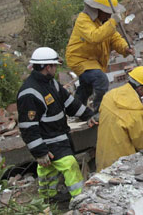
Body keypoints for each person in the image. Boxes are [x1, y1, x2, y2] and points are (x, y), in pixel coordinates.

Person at [17, 47, 98, 200]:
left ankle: (49, 201)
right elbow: (28, 127)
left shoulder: (51, 83)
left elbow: (70, 103)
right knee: (70, 165)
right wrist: (40, 152)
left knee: (48, 172)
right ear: (48, 67)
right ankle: (80, 200)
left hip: (60, 138)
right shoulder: (29, 93)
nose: (56, 68)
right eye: (54, 65)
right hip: (48, 143)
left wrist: (88, 115)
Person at [66, 0, 134, 112]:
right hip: (79, 59)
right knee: (100, 79)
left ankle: (75, 110)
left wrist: (125, 48)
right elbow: (94, 37)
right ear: (98, 9)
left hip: (94, 60)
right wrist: (112, 22)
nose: (109, 15)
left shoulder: (105, 23)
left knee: (86, 87)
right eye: (107, 12)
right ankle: (99, 111)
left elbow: (115, 38)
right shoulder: (83, 20)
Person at [95, 66, 143, 171]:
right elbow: (142, 144)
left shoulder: (109, 96)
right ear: (140, 88)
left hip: (103, 161)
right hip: (122, 166)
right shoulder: (135, 110)